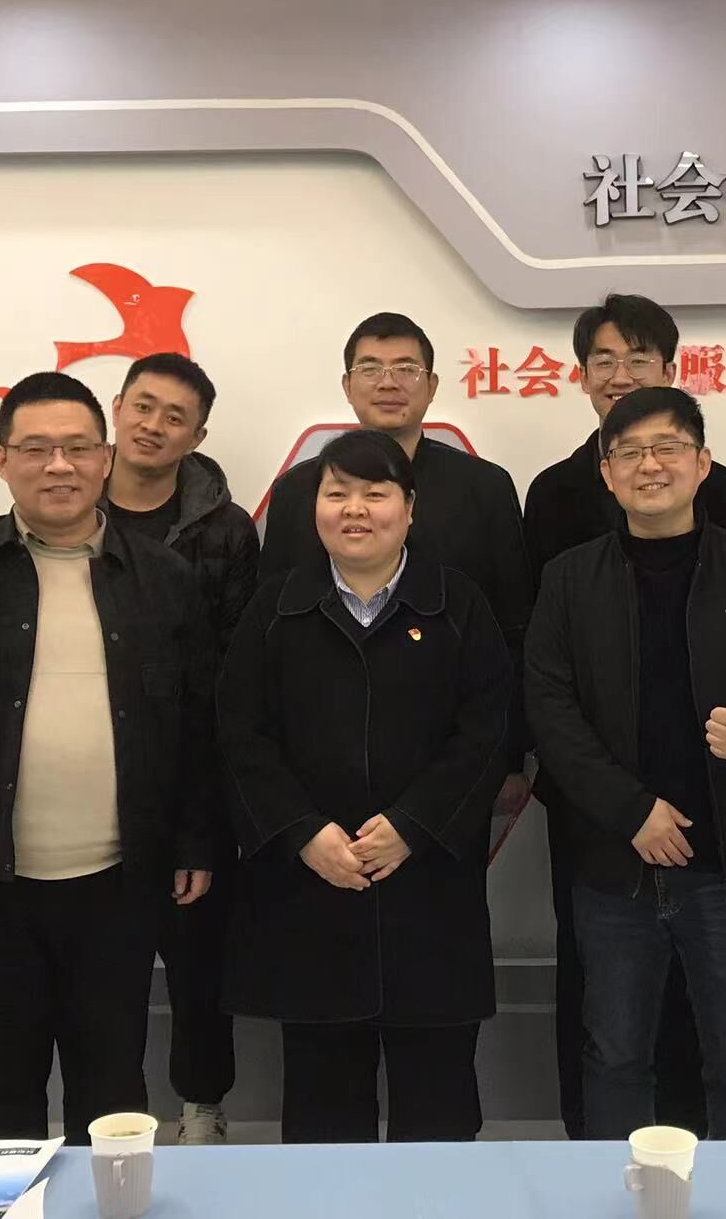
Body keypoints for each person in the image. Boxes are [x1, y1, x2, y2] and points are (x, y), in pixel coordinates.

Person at [0, 371, 215, 1144]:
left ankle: (109, 1198)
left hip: (121, 883)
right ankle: (7, 1199)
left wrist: (195, 839)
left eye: (77, 448)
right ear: (1, 461)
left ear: (105, 458)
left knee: (113, 1087)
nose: (58, 465)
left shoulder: (164, 579)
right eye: (35, 449)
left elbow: (196, 724)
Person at [526, 387, 726, 1142]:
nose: (649, 465)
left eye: (668, 448)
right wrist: (633, 812)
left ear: (702, 463)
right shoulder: (568, 579)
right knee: (615, 1056)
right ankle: (615, 1188)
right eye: (629, 452)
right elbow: (550, 711)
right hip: (614, 862)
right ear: (606, 472)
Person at [220, 429, 511, 1143]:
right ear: (313, 508)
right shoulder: (276, 607)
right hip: (312, 889)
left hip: (429, 887)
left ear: (409, 509)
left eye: (375, 494)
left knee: (438, 1107)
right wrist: (302, 833)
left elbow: (487, 730)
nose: (355, 510)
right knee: (323, 1111)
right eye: (337, 493)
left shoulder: (458, 604)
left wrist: (414, 825)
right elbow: (240, 734)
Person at [522, 293, 726, 1139]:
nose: (621, 375)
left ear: (670, 370)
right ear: (582, 378)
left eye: (639, 359)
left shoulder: (713, 485)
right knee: (596, 972)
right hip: (591, 789)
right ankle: (594, 1137)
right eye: (604, 361)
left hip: (700, 776)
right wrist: (603, 791)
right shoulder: (552, 492)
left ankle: (686, 1136)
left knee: (703, 975)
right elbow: (538, 654)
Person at [258, 311, 532, 814]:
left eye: (406, 368)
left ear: (431, 386)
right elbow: (269, 632)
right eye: (370, 368)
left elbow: (513, 623)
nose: (388, 382)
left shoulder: (485, 487)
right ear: (347, 385)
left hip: (452, 756)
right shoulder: (298, 490)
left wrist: (510, 757)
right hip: (319, 755)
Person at [104, 352, 259, 1145]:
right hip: (86, 783)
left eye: (175, 417)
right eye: (143, 406)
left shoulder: (226, 531)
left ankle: (203, 1106)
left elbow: (233, 679)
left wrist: (205, 815)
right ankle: (115, 1116)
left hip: (190, 782)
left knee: (201, 965)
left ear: (198, 435)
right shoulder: (66, 506)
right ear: (117, 406)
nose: (153, 426)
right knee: (103, 973)